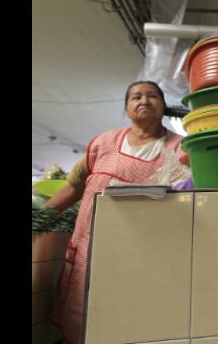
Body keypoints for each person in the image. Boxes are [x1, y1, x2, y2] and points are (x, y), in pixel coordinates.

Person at [44, 81, 188, 344]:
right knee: (80, 312)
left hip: (144, 251)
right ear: (126, 108)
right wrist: (41, 218)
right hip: (89, 250)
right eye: (136, 97)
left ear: (163, 106)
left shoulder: (180, 149)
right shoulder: (103, 143)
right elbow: (74, 185)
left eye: (152, 96)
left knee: (129, 316)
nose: (144, 101)